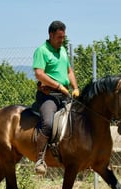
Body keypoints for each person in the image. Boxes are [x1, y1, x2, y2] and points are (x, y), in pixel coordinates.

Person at [32, 20, 79, 175]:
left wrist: (75, 88)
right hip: (48, 96)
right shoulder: (42, 51)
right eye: (59, 37)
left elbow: (69, 71)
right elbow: (39, 74)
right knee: (48, 123)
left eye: (63, 37)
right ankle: (40, 160)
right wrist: (59, 86)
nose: (62, 40)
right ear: (51, 35)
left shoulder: (63, 50)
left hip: (65, 95)